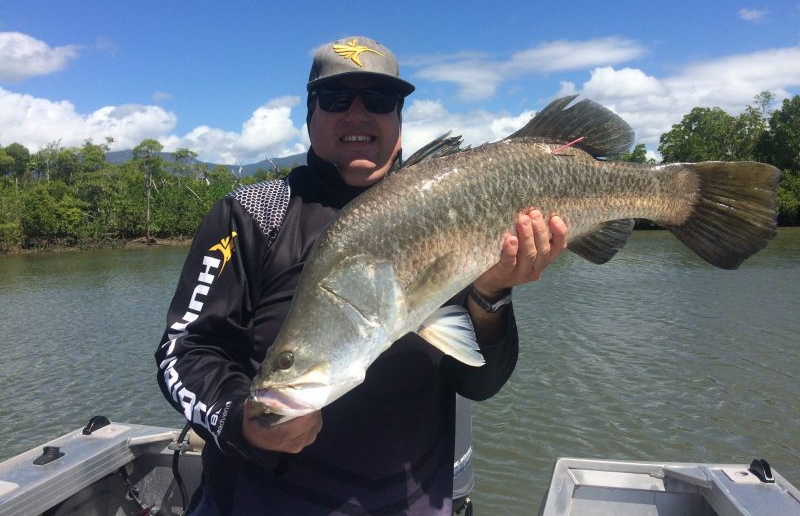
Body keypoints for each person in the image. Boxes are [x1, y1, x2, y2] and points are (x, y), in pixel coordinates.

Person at [155, 36, 568, 515]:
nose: (357, 115)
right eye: (335, 99)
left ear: (399, 117)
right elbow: (183, 351)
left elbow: (480, 384)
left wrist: (492, 294)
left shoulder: (446, 206)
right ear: (309, 113)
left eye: (379, 99)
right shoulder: (251, 216)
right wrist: (237, 419)